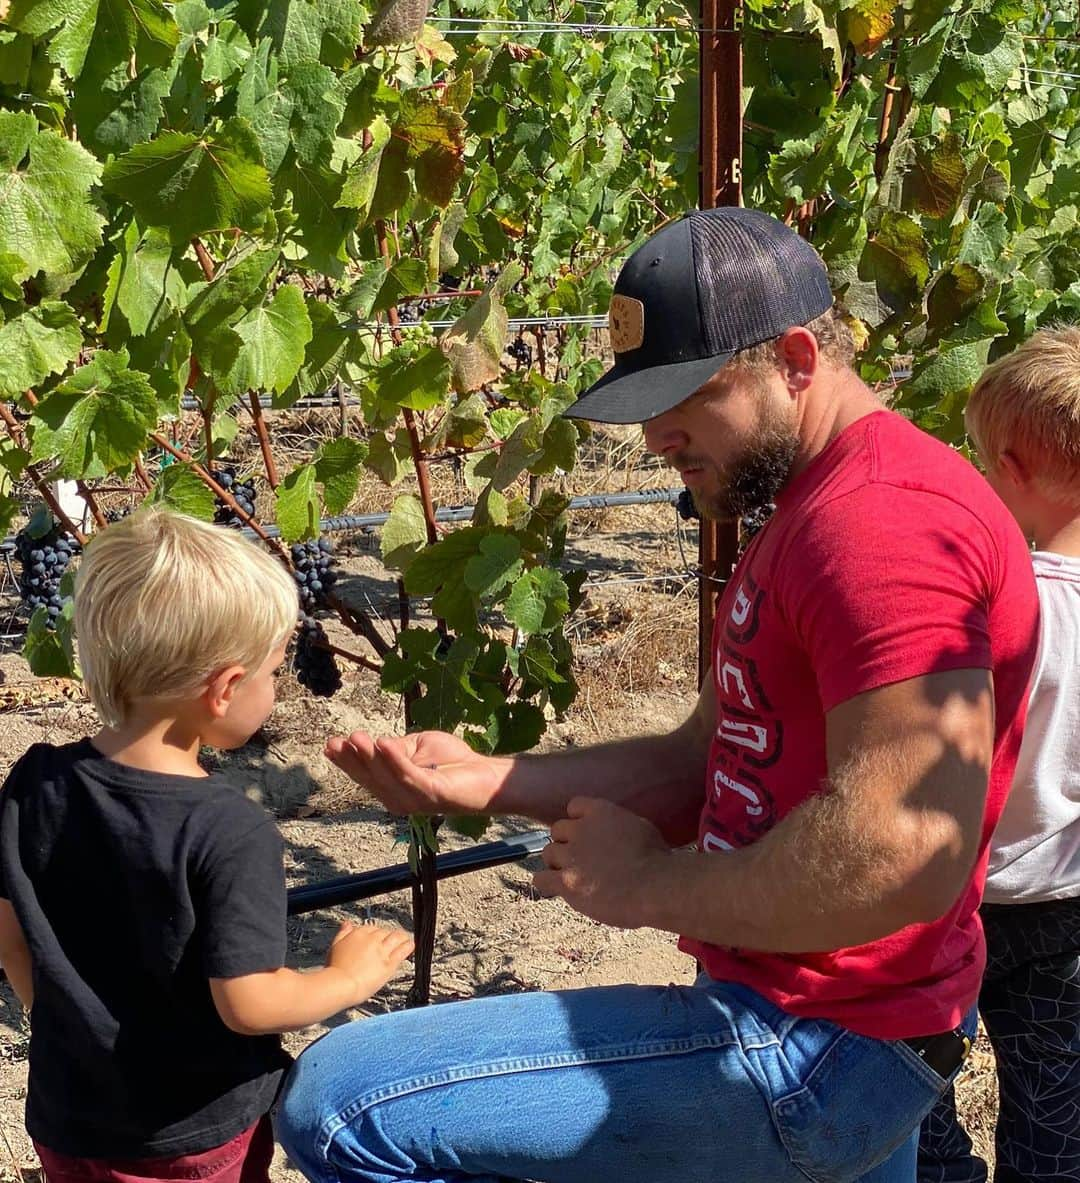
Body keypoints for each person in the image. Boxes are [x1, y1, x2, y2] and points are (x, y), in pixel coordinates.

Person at [276, 207, 1039, 1183]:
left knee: (345, 1103)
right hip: (845, 1031)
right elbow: (705, 761)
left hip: (818, 1046)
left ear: (797, 358)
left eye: (686, 394)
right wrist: (489, 779)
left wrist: (641, 884)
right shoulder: (819, 504)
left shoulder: (876, 527)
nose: (654, 436)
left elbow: (903, 853)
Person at [0, 508, 413, 1183]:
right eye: (274, 671)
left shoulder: (35, 779)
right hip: (187, 1138)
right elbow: (246, 1002)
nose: (276, 688)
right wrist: (348, 977)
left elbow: (11, 927)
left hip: (66, 1115)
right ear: (224, 688)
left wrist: (58, 1025)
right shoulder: (228, 828)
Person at [918, 327, 1080, 1183]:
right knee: (1057, 1095)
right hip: (1067, 907)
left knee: (917, 1079)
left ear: (1011, 469)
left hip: (960, 897)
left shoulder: (1003, 606)